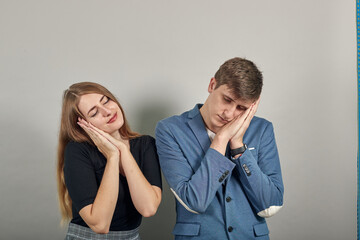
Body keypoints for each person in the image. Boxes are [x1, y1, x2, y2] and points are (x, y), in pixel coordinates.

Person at [155, 57, 284, 240]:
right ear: (212, 84)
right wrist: (221, 139)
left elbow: (270, 205)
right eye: (227, 99)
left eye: (241, 108)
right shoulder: (171, 130)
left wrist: (239, 148)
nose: (229, 113)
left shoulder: (262, 129)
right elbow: (194, 201)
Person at [56, 82, 162, 240]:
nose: (107, 111)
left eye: (106, 101)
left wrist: (123, 150)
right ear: (83, 125)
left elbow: (148, 208)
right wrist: (113, 157)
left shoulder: (145, 145)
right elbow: (100, 225)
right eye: (94, 113)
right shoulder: (78, 151)